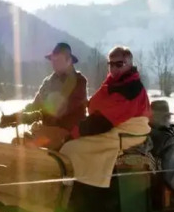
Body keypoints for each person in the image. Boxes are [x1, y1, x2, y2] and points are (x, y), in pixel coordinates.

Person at [58, 46, 151, 187]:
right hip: (111, 126)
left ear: (129, 64)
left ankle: (80, 190)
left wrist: (74, 133)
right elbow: (96, 107)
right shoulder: (114, 82)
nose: (113, 68)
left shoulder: (130, 89)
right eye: (110, 64)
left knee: (71, 149)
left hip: (125, 132)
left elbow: (103, 122)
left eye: (118, 64)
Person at [0, 41, 87, 148]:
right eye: (53, 60)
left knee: (27, 147)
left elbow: (58, 110)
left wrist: (29, 117)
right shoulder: (48, 81)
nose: (54, 63)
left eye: (58, 60)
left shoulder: (78, 82)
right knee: (17, 143)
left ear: (69, 61)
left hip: (68, 134)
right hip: (46, 131)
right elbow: (35, 105)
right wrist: (14, 117)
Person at [144, 98, 174, 195]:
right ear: (166, 118)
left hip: (144, 185)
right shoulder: (169, 140)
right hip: (159, 190)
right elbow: (172, 174)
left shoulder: (141, 134)